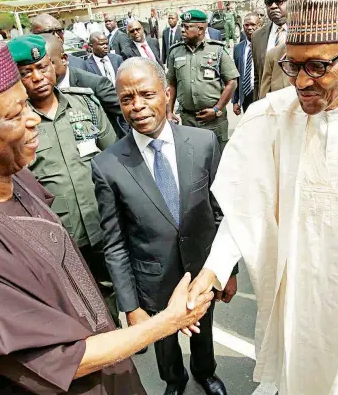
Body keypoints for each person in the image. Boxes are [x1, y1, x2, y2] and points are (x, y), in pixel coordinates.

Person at [0, 39, 213, 395]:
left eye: (26, 105)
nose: (34, 119)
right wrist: (167, 321)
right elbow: (67, 359)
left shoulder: (14, 178)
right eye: (15, 114)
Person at [187, 0, 338, 394]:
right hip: (296, 300)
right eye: (293, 65)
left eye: (317, 66)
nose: (301, 81)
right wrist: (212, 272)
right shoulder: (272, 115)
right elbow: (245, 206)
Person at [92, 57, 236, 395]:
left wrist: (229, 270)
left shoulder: (202, 144)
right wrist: (130, 306)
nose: (138, 106)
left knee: (205, 328)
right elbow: (114, 243)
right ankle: (175, 380)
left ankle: (205, 372)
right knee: (164, 341)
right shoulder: (108, 165)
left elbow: (220, 213)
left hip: (202, 268)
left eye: (146, 94)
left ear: (166, 93)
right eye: (127, 99)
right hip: (152, 280)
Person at [8, 34, 122, 327]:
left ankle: (114, 332)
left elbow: (114, 159)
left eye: (43, 67)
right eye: (26, 73)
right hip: (55, 230)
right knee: (72, 295)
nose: (38, 77)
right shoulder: (16, 124)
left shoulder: (85, 104)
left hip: (100, 220)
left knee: (110, 282)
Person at [166, 10, 239, 152]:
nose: (182, 30)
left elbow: (232, 81)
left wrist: (217, 109)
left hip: (214, 121)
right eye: (182, 26)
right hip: (188, 121)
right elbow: (172, 84)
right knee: (193, 160)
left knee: (218, 159)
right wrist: (169, 111)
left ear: (200, 29)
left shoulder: (217, 50)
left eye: (187, 27)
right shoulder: (175, 52)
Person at [45, 34, 128, 138]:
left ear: (64, 59)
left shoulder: (94, 84)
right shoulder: (34, 92)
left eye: (45, 66)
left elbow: (125, 111)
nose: (39, 75)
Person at [251, 0, 288, 100]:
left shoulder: (303, 31)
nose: (273, 6)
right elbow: (258, 76)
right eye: (269, 3)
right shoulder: (257, 36)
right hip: (268, 103)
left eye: (279, 1)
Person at [232, 13, 260, 115]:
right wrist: (235, 101)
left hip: (262, 95)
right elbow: (235, 75)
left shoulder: (266, 47)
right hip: (246, 97)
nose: (249, 28)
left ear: (259, 26)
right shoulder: (238, 48)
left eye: (253, 25)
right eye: (246, 25)